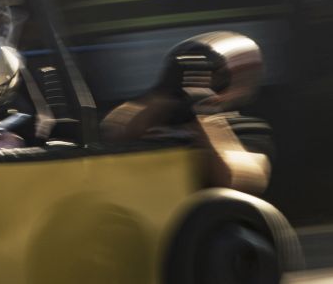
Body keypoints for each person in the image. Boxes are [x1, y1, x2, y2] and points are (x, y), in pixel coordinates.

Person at [101, 31, 272, 194]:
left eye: (215, 75)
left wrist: (203, 115)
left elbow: (245, 182)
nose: (203, 83)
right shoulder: (155, 115)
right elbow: (110, 134)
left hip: (200, 210)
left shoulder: (245, 129)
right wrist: (165, 93)